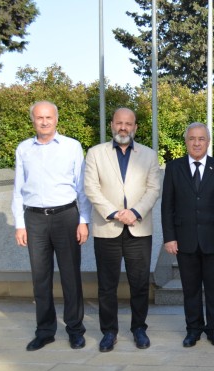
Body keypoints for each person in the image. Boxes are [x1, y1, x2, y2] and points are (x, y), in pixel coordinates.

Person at [12, 100, 91, 351]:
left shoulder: (72, 147)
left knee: (70, 276)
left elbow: (82, 188)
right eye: (39, 118)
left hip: (66, 216)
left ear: (56, 119)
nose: (44, 122)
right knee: (40, 278)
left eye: (48, 117)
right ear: (33, 120)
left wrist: (83, 221)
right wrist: (19, 224)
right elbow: (17, 189)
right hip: (34, 219)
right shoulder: (24, 149)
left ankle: (75, 330)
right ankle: (45, 330)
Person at [84, 108, 160, 352]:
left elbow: (153, 189)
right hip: (107, 228)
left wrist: (134, 212)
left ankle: (139, 329)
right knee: (107, 285)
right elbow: (91, 188)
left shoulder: (148, 155)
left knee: (139, 283)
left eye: (128, 123)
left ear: (135, 127)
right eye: (119, 123)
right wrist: (116, 213)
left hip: (138, 229)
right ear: (112, 125)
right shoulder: (96, 154)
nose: (123, 127)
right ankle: (109, 332)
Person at [161, 122, 214, 348]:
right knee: (190, 289)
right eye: (192, 138)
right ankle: (193, 329)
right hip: (184, 240)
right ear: (186, 141)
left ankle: (213, 329)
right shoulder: (174, 168)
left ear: (208, 141)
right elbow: (167, 206)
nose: (196, 143)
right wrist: (169, 237)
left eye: (201, 139)